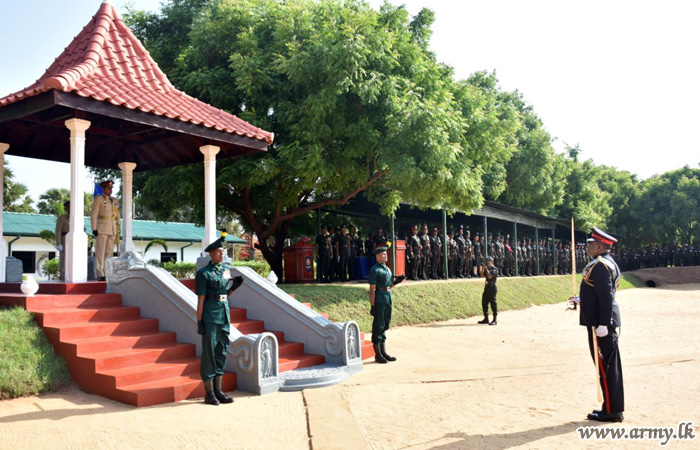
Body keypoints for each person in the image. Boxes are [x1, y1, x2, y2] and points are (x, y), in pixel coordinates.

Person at [568, 227, 624, 423]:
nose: (588, 246)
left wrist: (603, 324)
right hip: (602, 320)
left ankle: (611, 412)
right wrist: (582, 299)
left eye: (591, 244)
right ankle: (611, 408)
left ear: (600, 246)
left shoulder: (600, 265)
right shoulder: (606, 262)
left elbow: (606, 297)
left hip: (602, 323)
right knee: (607, 367)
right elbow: (599, 293)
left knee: (605, 368)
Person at [196, 235, 244, 405]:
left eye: (223, 251)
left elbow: (224, 294)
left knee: (221, 352)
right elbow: (201, 299)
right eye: (219, 251)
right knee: (209, 353)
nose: (222, 254)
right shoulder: (203, 273)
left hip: (224, 314)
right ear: (211, 254)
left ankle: (218, 391)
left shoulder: (225, 271)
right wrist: (199, 321)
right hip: (210, 316)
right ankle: (209, 393)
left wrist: (234, 288)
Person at [368, 246, 405, 364]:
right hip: (379, 298)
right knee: (378, 325)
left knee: (385, 323)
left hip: (388, 297)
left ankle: (383, 352)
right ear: (378, 257)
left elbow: (388, 286)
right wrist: (373, 306)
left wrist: (396, 282)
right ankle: (378, 354)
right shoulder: (375, 270)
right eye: (383, 254)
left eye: (386, 253)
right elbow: (372, 290)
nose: (386, 255)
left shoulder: (387, 269)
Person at [90, 180, 120, 281]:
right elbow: (94, 214)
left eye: (111, 188)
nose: (110, 190)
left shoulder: (115, 200)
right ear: (103, 189)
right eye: (108, 188)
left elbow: (117, 214)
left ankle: (107, 272)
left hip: (112, 228)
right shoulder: (99, 199)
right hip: (102, 227)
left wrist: (118, 226)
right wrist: (94, 228)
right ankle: (100, 273)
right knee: (100, 251)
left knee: (109, 252)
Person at [478, 256, 498, 325]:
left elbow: (489, 276)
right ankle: (486, 318)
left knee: (493, 303)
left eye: (489, 263)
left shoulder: (494, 269)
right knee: (484, 303)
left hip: (492, 287)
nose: (488, 264)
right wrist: (482, 269)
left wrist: (486, 269)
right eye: (487, 263)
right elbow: (482, 275)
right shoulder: (487, 269)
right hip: (487, 287)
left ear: (492, 262)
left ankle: (494, 320)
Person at [55, 201, 70, 280]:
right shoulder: (62, 218)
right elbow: (58, 231)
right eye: (68, 207)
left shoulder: (77, 217)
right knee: (64, 259)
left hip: (74, 241)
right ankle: (63, 276)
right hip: (64, 240)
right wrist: (59, 243)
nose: (69, 208)